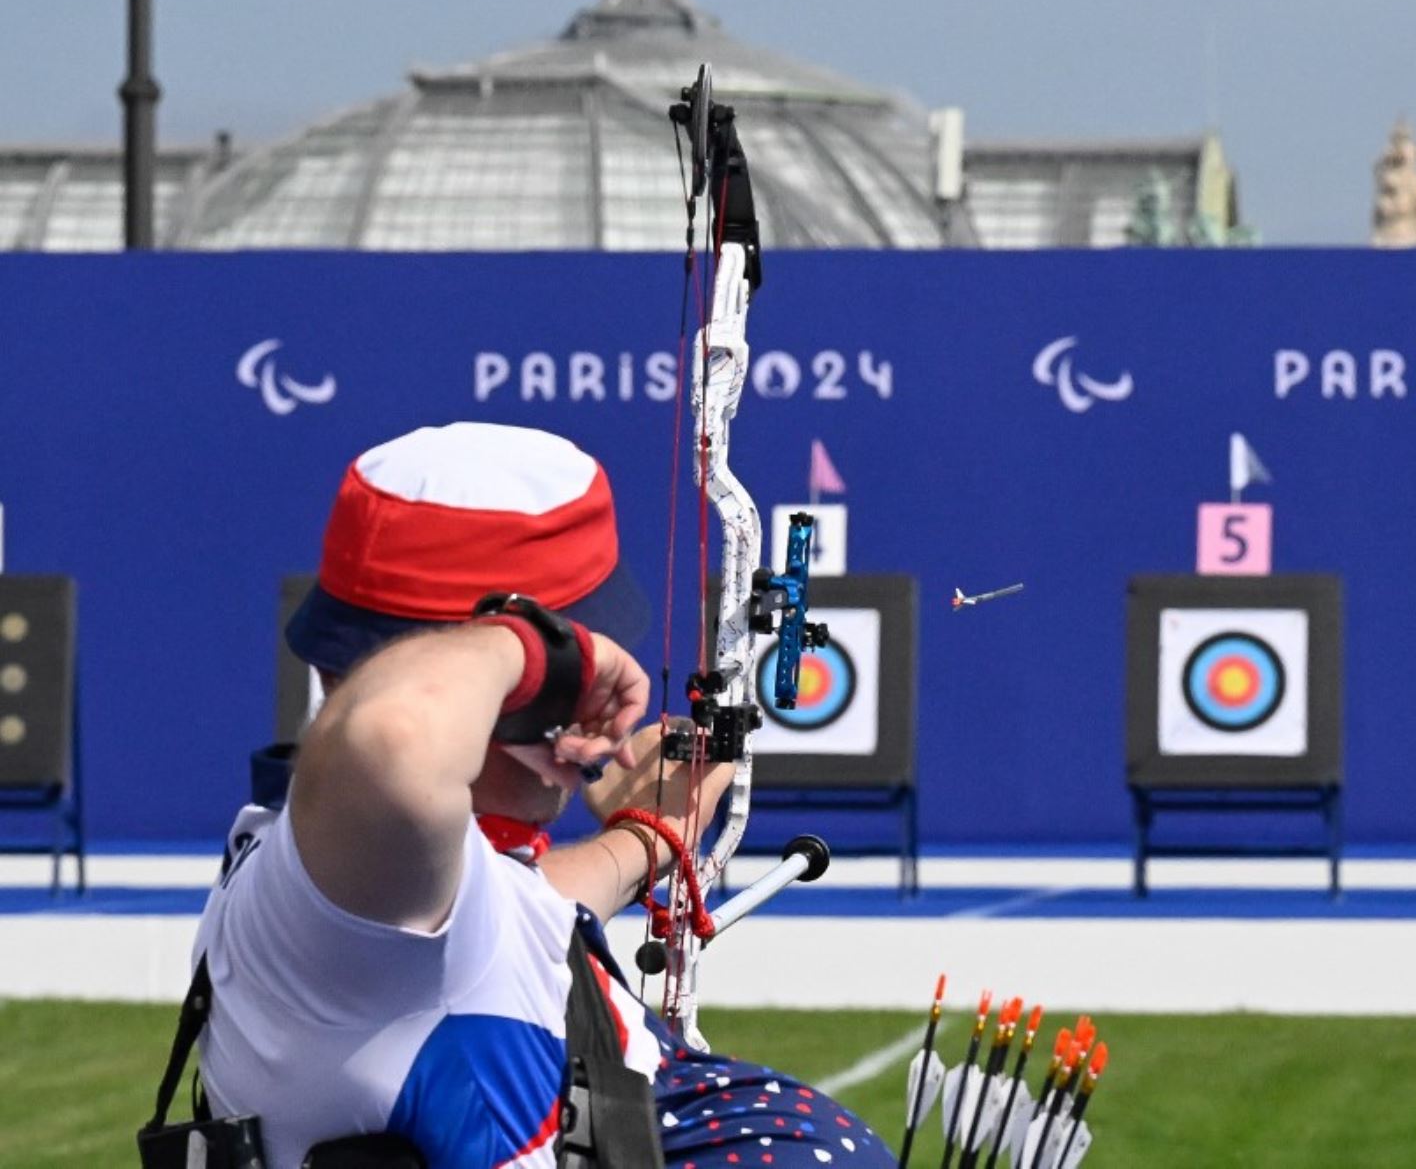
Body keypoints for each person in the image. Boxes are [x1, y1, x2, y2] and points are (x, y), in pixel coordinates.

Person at [192, 422, 893, 1167]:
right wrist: (531, 646)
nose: (594, 709)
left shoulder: (395, 900)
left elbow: (514, 920)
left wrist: (645, 836)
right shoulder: (336, 887)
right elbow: (391, 731)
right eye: (572, 678)